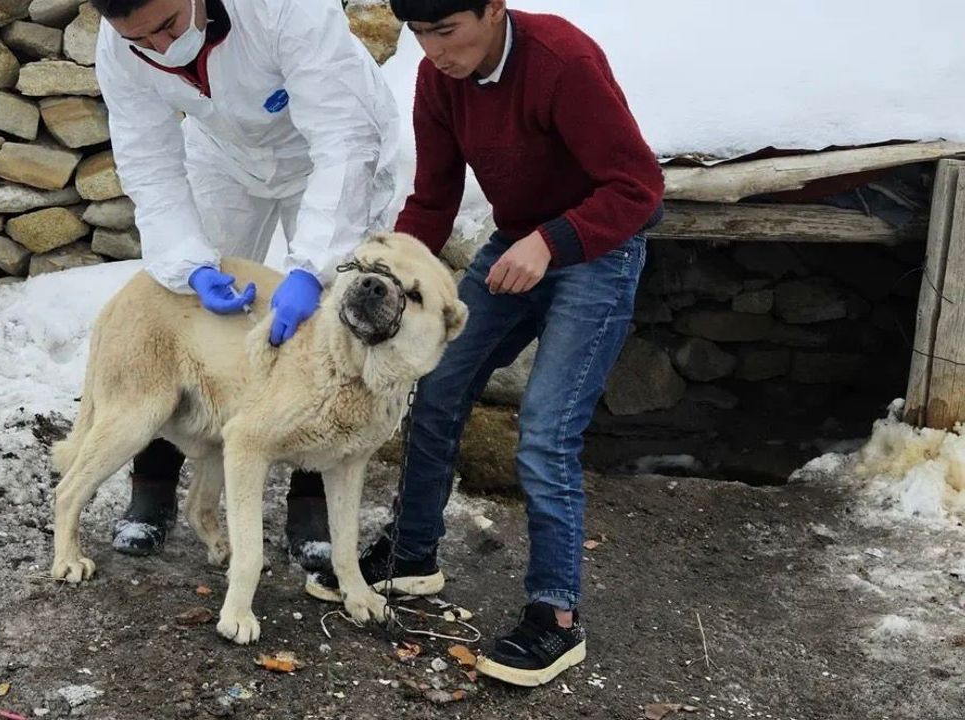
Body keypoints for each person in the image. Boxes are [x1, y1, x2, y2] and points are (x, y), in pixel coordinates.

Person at [305, 0, 664, 687]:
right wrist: (391, 269)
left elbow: (640, 188)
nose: (433, 50)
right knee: (437, 384)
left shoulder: (562, 61)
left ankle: (555, 615)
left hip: (600, 250)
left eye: (446, 30)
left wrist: (551, 242)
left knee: (546, 430)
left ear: (493, 9)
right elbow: (434, 200)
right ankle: (412, 555)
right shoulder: (438, 78)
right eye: (418, 33)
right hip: (518, 244)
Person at [90, 0, 400, 571]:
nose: (160, 48)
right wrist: (189, 264)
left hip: (333, 156)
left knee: (338, 322)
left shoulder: (285, 9)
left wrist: (311, 269)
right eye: (141, 40)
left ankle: (310, 503)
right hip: (226, 156)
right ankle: (152, 485)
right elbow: (147, 160)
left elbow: (342, 140)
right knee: (180, 309)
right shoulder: (119, 46)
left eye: (167, 26)